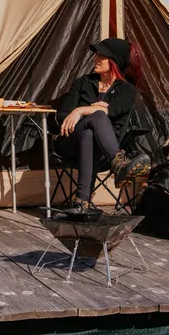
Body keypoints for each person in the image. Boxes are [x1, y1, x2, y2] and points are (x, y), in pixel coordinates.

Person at [55, 37, 151, 210]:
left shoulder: (127, 90)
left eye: (101, 56)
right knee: (94, 120)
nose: (95, 59)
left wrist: (82, 111)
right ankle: (119, 164)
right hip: (70, 143)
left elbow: (112, 110)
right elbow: (63, 116)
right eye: (96, 55)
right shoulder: (82, 83)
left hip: (102, 151)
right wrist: (80, 112)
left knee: (90, 133)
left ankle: (81, 202)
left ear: (115, 61)